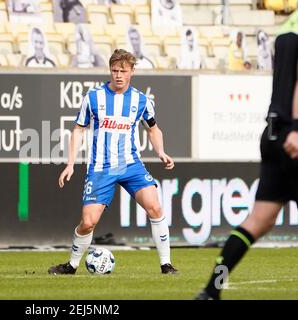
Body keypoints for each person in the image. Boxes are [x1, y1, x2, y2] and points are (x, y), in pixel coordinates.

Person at [48, 49, 179, 275]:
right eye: (114, 70)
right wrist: (70, 163)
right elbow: (79, 130)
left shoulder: (141, 100)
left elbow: (153, 128)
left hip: (131, 165)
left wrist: (161, 151)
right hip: (101, 168)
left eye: (123, 71)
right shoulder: (93, 98)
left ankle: (166, 264)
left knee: (155, 207)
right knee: (88, 222)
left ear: (132, 72)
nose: (118, 75)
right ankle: (71, 265)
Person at [196, 10, 298, 300]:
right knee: (258, 220)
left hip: (273, 133)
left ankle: (210, 290)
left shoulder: (286, 37)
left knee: (259, 221)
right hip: (293, 134)